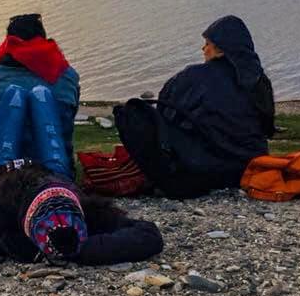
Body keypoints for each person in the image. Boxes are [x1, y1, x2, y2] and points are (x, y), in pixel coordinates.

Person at [114, 15, 276, 199]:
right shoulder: (258, 81)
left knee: (129, 113)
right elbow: (267, 127)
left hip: (201, 170)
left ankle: (170, 180)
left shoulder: (192, 77)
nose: (203, 49)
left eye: (207, 44)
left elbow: (165, 117)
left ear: (221, 51)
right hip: (249, 166)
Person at [0, 162, 164, 265]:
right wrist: (77, 247)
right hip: (45, 181)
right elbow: (148, 234)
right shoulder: (90, 217)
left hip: (18, 187)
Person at [0, 13, 80, 175]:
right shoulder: (67, 76)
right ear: (43, 38)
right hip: (57, 167)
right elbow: (69, 121)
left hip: (0, 171)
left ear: (9, 41)